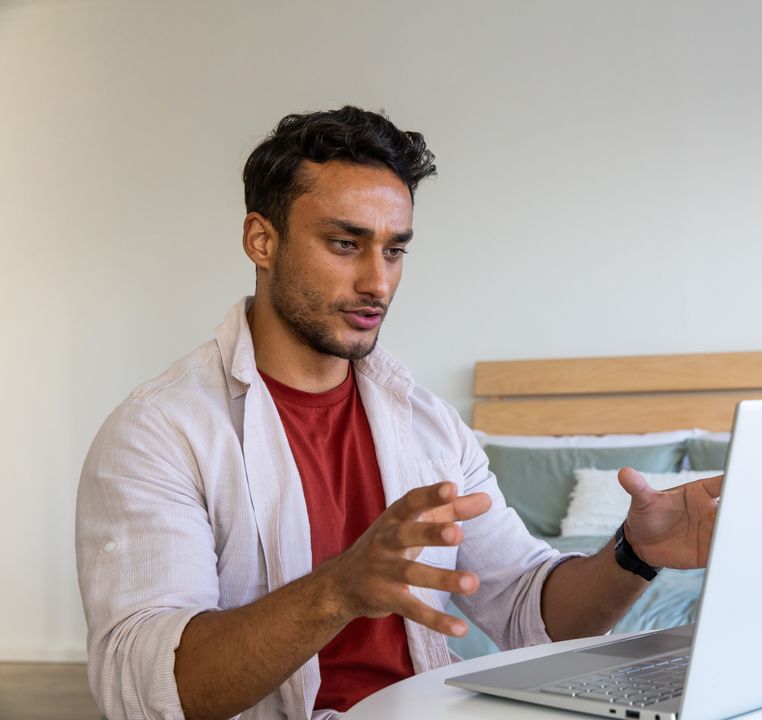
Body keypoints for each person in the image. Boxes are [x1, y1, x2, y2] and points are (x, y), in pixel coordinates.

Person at [75, 106, 724, 720]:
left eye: (394, 250)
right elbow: (149, 690)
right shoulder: (159, 431)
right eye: (344, 243)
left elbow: (531, 611)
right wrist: (337, 589)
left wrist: (634, 554)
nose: (377, 283)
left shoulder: (429, 426)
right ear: (261, 240)